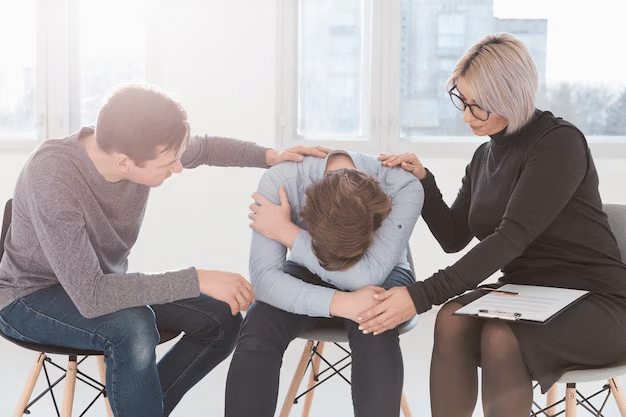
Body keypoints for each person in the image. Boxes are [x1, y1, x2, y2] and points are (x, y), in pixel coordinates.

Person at [0, 84, 329, 417]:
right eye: (169, 163)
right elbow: (92, 295)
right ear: (124, 163)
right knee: (133, 325)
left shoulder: (143, 143)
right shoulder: (52, 175)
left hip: (98, 287)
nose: (178, 167)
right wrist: (197, 278)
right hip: (29, 299)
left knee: (222, 317)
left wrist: (271, 157)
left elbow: (205, 149)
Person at [358, 33, 626, 417]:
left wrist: (419, 296)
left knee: (501, 337)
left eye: (477, 106)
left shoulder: (558, 144)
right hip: (528, 295)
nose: (466, 116)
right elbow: (453, 237)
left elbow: (510, 239)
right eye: (462, 102)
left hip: (596, 301)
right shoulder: (485, 156)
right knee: (451, 320)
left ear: (509, 95)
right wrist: (423, 181)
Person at [224, 149, 423, 417]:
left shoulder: (403, 184)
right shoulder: (282, 180)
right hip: (307, 269)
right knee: (260, 320)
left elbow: (368, 276)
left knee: (376, 317)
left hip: (382, 270)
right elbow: (264, 280)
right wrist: (342, 303)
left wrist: (288, 232)